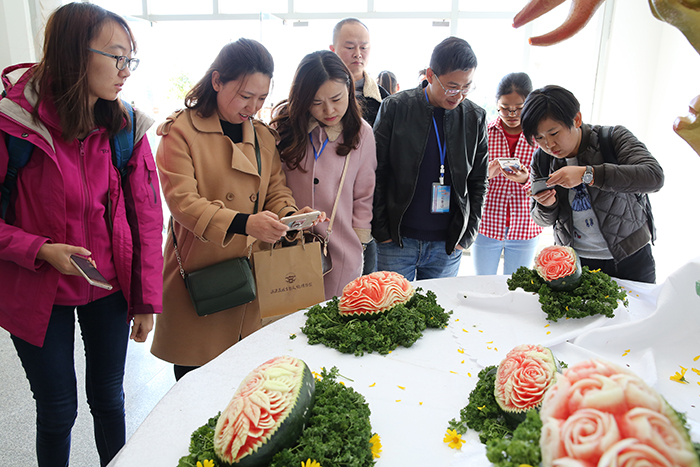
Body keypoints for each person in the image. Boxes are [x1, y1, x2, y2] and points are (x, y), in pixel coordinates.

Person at [0, 3, 163, 466]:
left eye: (131, 59)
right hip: (37, 288)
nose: (125, 71)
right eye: (116, 56)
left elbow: (147, 217)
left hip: (107, 288)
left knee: (110, 399)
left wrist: (145, 299)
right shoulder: (13, 124)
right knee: (56, 410)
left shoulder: (125, 125)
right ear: (74, 53)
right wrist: (41, 249)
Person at [150, 39, 319, 381]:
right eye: (245, 96)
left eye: (261, 98)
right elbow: (183, 203)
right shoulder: (179, 132)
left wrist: (289, 216)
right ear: (217, 81)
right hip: (201, 278)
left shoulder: (262, 136)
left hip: (252, 282)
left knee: (246, 389)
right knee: (196, 389)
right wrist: (245, 223)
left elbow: (275, 189)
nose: (253, 107)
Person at [372, 37, 488, 281]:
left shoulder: (474, 117)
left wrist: (467, 235)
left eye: (466, 87)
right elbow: (376, 172)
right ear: (430, 74)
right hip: (397, 241)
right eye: (451, 86)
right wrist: (381, 230)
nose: (458, 95)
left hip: (446, 245)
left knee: (437, 316)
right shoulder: (395, 108)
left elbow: (478, 181)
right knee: (391, 313)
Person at [522, 85, 663, 283]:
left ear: (576, 119)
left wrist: (588, 174)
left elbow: (654, 177)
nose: (549, 145)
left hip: (630, 257)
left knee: (640, 314)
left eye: (554, 133)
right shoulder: (542, 159)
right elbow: (542, 219)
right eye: (539, 138)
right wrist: (547, 205)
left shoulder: (613, 138)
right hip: (576, 262)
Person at [271, 51, 376, 299]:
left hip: (339, 252)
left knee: (333, 327)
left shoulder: (362, 133)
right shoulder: (282, 128)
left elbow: (364, 195)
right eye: (316, 102)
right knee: (288, 326)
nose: (329, 110)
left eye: (337, 99)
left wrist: (359, 243)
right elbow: (271, 186)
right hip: (289, 247)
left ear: (349, 89)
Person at [330, 17, 388, 274]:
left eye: (364, 47)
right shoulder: (315, 99)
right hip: (326, 207)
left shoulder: (386, 102)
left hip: (369, 211)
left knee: (365, 289)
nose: (358, 54)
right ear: (332, 50)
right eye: (350, 46)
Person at [472, 72, 542, 275]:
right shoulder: (484, 132)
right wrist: (486, 174)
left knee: (516, 289)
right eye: (505, 108)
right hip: (487, 223)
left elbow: (549, 182)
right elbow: (468, 175)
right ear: (497, 104)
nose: (512, 115)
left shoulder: (539, 137)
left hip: (525, 225)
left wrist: (526, 179)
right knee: (482, 284)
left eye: (519, 109)